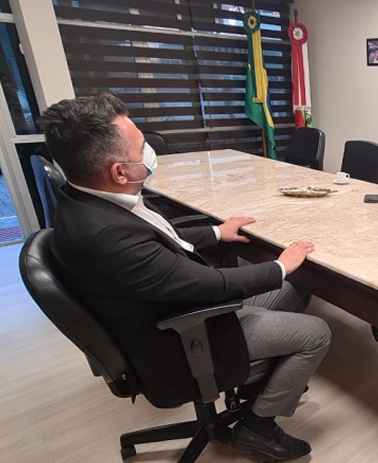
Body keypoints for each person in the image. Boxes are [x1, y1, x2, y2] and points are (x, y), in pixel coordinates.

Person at [40, 92, 331, 462]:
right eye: (141, 147)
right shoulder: (107, 236)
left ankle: (257, 387)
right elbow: (208, 285)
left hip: (163, 309)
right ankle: (257, 425)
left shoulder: (87, 198)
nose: (149, 153)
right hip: (178, 336)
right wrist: (280, 265)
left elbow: (159, 238)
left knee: (291, 291)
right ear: (119, 171)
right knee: (316, 332)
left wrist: (216, 232)